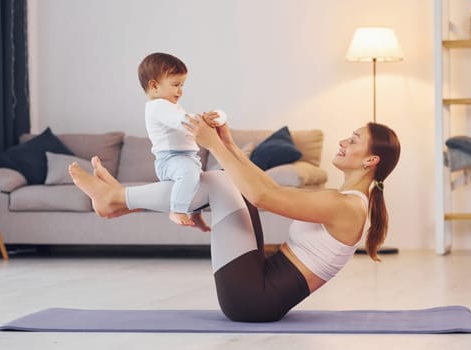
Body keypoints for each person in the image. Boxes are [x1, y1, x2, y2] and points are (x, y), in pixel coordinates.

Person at [68, 119, 400, 323]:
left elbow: (263, 197)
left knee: (219, 181)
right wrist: (226, 143)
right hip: (258, 290)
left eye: (353, 140)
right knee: (227, 181)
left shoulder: (346, 206)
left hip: (253, 301)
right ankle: (118, 203)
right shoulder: (345, 200)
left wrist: (212, 144)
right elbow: (267, 187)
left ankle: (115, 199)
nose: (344, 142)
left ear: (371, 160)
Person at [138, 52, 223, 231]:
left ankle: (195, 214)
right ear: (154, 85)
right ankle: (176, 210)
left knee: (197, 183)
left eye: (182, 85)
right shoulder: (157, 106)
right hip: (170, 158)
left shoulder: (170, 106)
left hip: (185, 156)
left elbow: (181, 120)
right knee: (189, 175)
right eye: (176, 85)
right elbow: (181, 121)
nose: (180, 91)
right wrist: (201, 119)